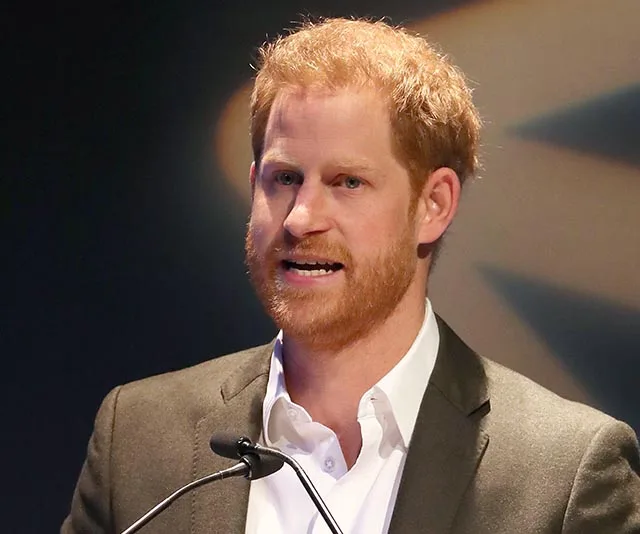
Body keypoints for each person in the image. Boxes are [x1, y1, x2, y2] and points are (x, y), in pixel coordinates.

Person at [62, 18, 640, 534]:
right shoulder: (137, 441)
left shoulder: (564, 474)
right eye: (284, 178)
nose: (302, 218)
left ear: (433, 205)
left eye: (347, 182)